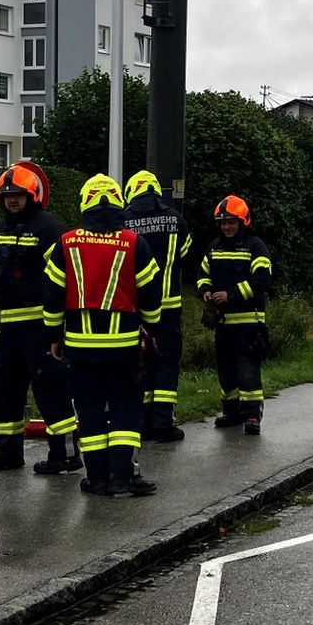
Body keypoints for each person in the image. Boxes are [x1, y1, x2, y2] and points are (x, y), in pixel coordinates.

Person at [45, 175, 165, 497]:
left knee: (90, 412)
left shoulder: (66, 243)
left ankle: (97, 479)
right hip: (124, 348)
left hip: (80, 349)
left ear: (85, 204)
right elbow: (151, 295)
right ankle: (122, 477)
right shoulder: (134, 243)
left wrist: (54, 336)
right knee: (126, 409)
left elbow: (53, 295)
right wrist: (152, 329)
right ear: (118, 204)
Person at [0, 162, 78, 474]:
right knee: (6, 387)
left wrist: (57, 324)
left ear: (32, 196)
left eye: (18, 195)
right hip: (10, 323)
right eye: (7, 196)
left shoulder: (48, 227)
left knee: (50, 387)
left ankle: (65, 455)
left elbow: (61, 273)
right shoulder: (4, 226)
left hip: (39, 322)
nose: (12, 200)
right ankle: (7, 453)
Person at [122, 170, 193, 443]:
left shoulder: (124, 221)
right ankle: (163, 424)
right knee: (166, 362)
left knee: (140, 364)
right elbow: (185, 254)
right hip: (169, 306)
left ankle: (141, 423)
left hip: (134, 309)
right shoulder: (175, 219)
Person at [196, 195, 273, 434]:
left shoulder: (255, 246)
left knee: (248, 371)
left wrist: (231, 295)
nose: (227, 226)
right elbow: (202, 274)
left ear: (242, 222)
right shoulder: (214, 248)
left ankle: (252, 415)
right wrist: (205, 291)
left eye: (231, 222)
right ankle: (231, 412)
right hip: (223, 323)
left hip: (249, 322)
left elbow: (262, 280)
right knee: (226, 370)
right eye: (223, 222)